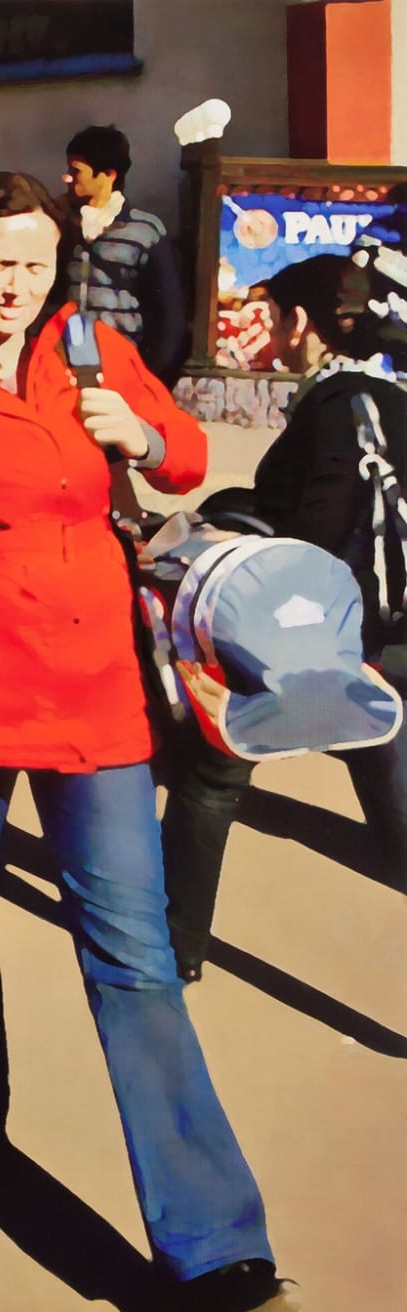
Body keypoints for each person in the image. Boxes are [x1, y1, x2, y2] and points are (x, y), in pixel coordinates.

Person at [0, 171, 299, 1312]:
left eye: (34, 265)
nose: (14, 286)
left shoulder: (85, 350)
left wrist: (141, 432)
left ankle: (211, 1242)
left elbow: (183, 459)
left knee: (132, 950)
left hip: (93, 701)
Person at [162, 248, 407, 980]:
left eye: (275, 319)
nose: (272, 333)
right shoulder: (395, 397)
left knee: (213, 773)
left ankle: (176, 950)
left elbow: (318, 533)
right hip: (392, 632)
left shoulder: (332, 408)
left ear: (301, 322)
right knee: (384, 756)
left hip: (327, 632)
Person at [64, 124, 189, 385]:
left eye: (76, 171)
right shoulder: (62, 225)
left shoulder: (145, 231)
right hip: (66, 365)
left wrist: (149, 375)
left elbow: (169, 313)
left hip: (122, 367)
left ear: (108, 175)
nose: (67, 178)